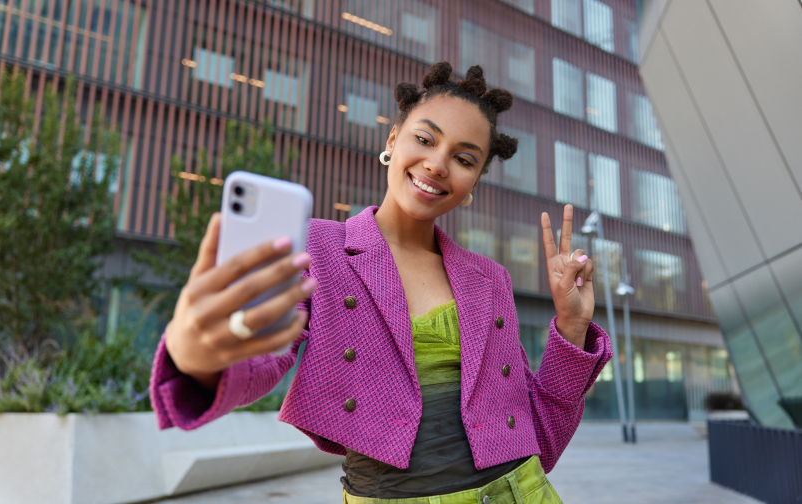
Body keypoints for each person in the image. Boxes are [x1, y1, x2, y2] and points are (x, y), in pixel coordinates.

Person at [150, 62, 612, 504]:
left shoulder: (490, 280)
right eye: (425, 139)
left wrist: (572, 326)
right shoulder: (319, 248)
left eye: (464, 159)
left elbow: (540, 440)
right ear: (393, 138)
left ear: (473, 183)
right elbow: (266, 352)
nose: (436, 164)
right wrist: (197, 357)